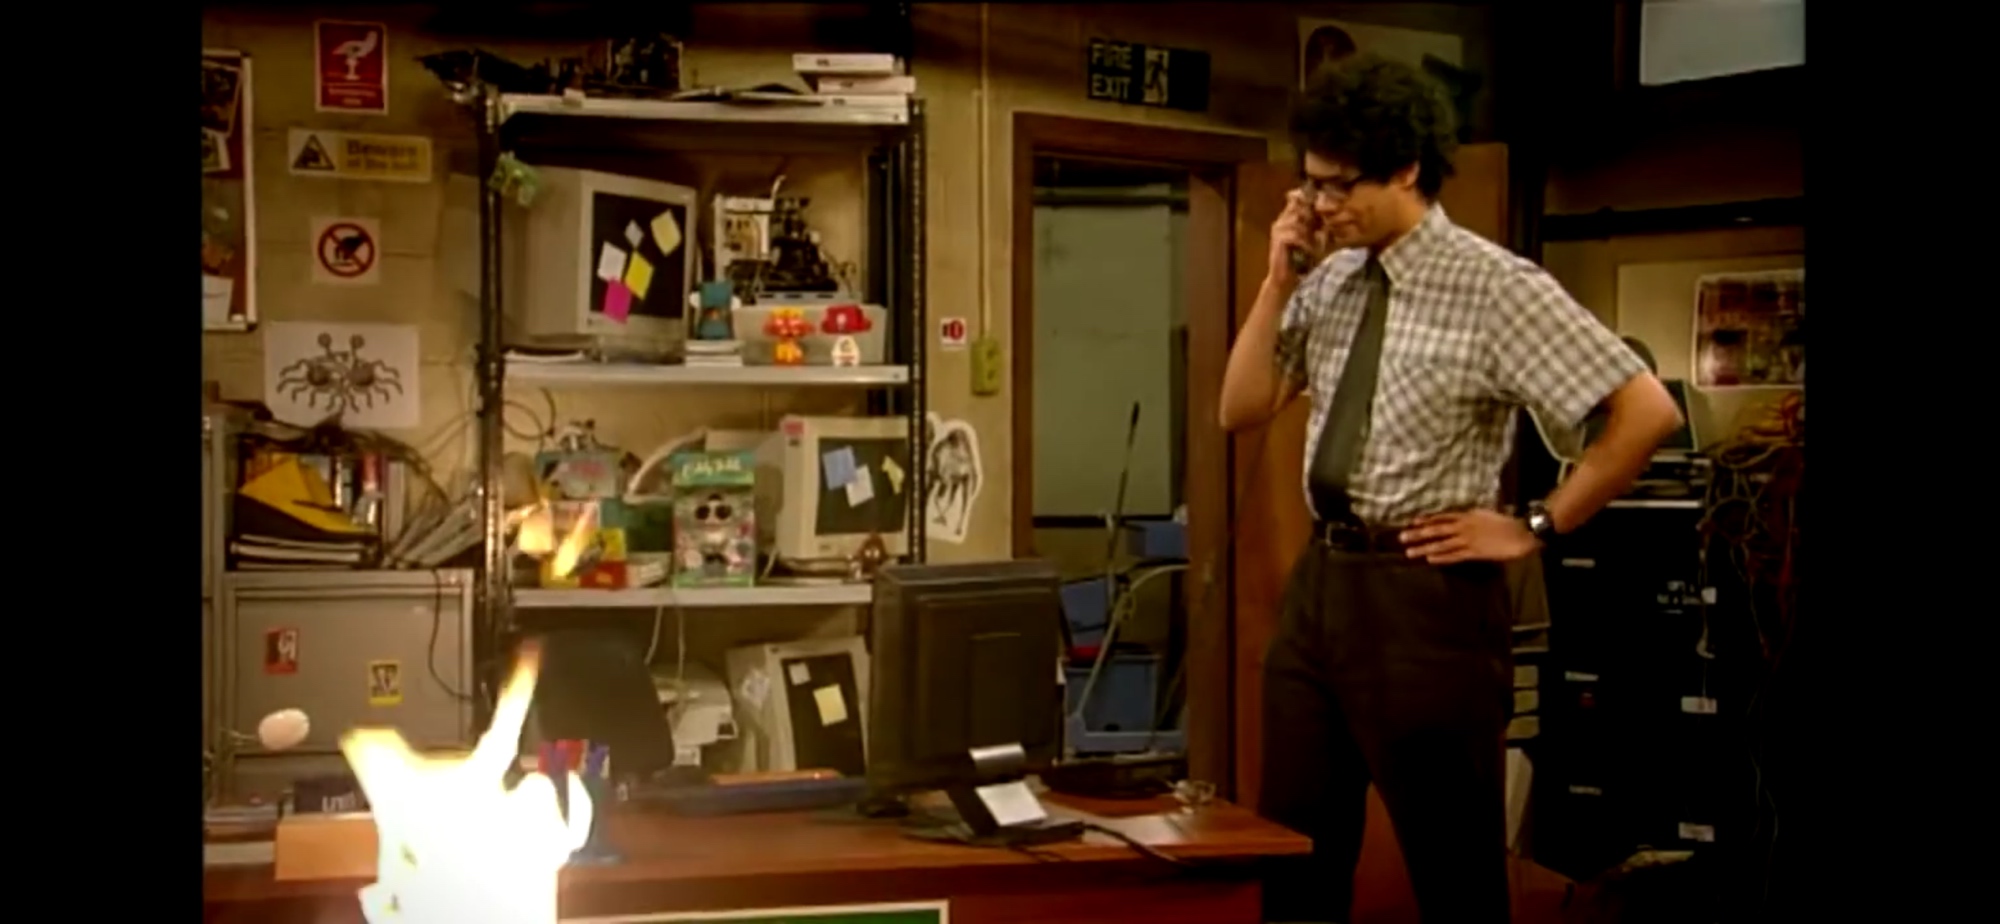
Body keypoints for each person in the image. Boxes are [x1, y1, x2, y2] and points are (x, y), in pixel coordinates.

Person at [1219, 56, 1683, 923]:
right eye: (1310, 183)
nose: (1320, 204)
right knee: (1297, 855)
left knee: (1453, 867)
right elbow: (1239, 408)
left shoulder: (1496, 286)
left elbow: (1646, 411)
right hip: (1322, 589)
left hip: (1426, 597)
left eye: (1339, 185)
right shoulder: (1332, 278)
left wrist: (1538, 523)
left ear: (1405, 169)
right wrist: (1278, 280)